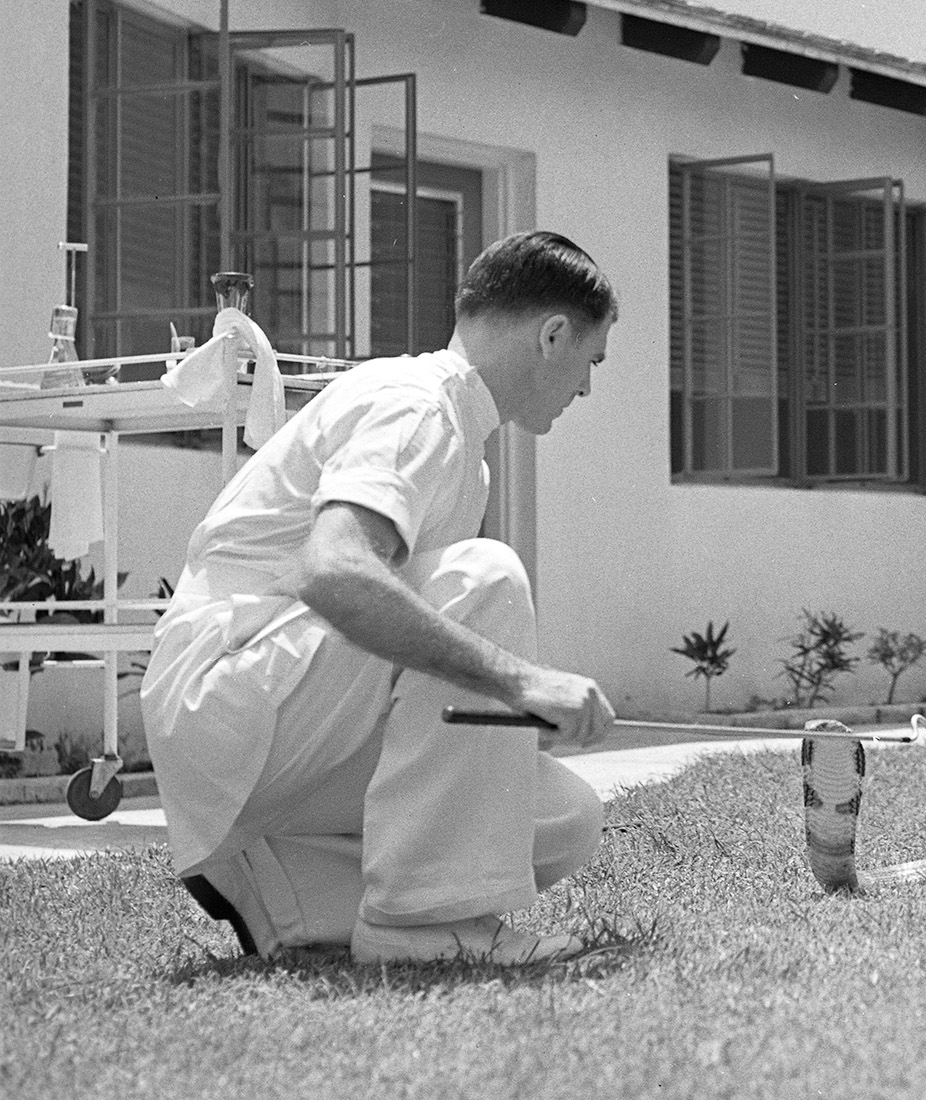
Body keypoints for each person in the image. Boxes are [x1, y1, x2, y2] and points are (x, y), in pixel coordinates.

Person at [142, 231, 619, 965]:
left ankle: (282, 887)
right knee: (486, 575)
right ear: (553, 335)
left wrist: (505, 714)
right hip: (228, 691)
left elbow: (403, 654)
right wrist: (519, 680)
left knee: (565, 816)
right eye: (591, 361)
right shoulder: (418, 406)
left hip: (274, 710)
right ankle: (419, 927)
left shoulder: (463, 441)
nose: (586, 387)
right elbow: (332, 572)